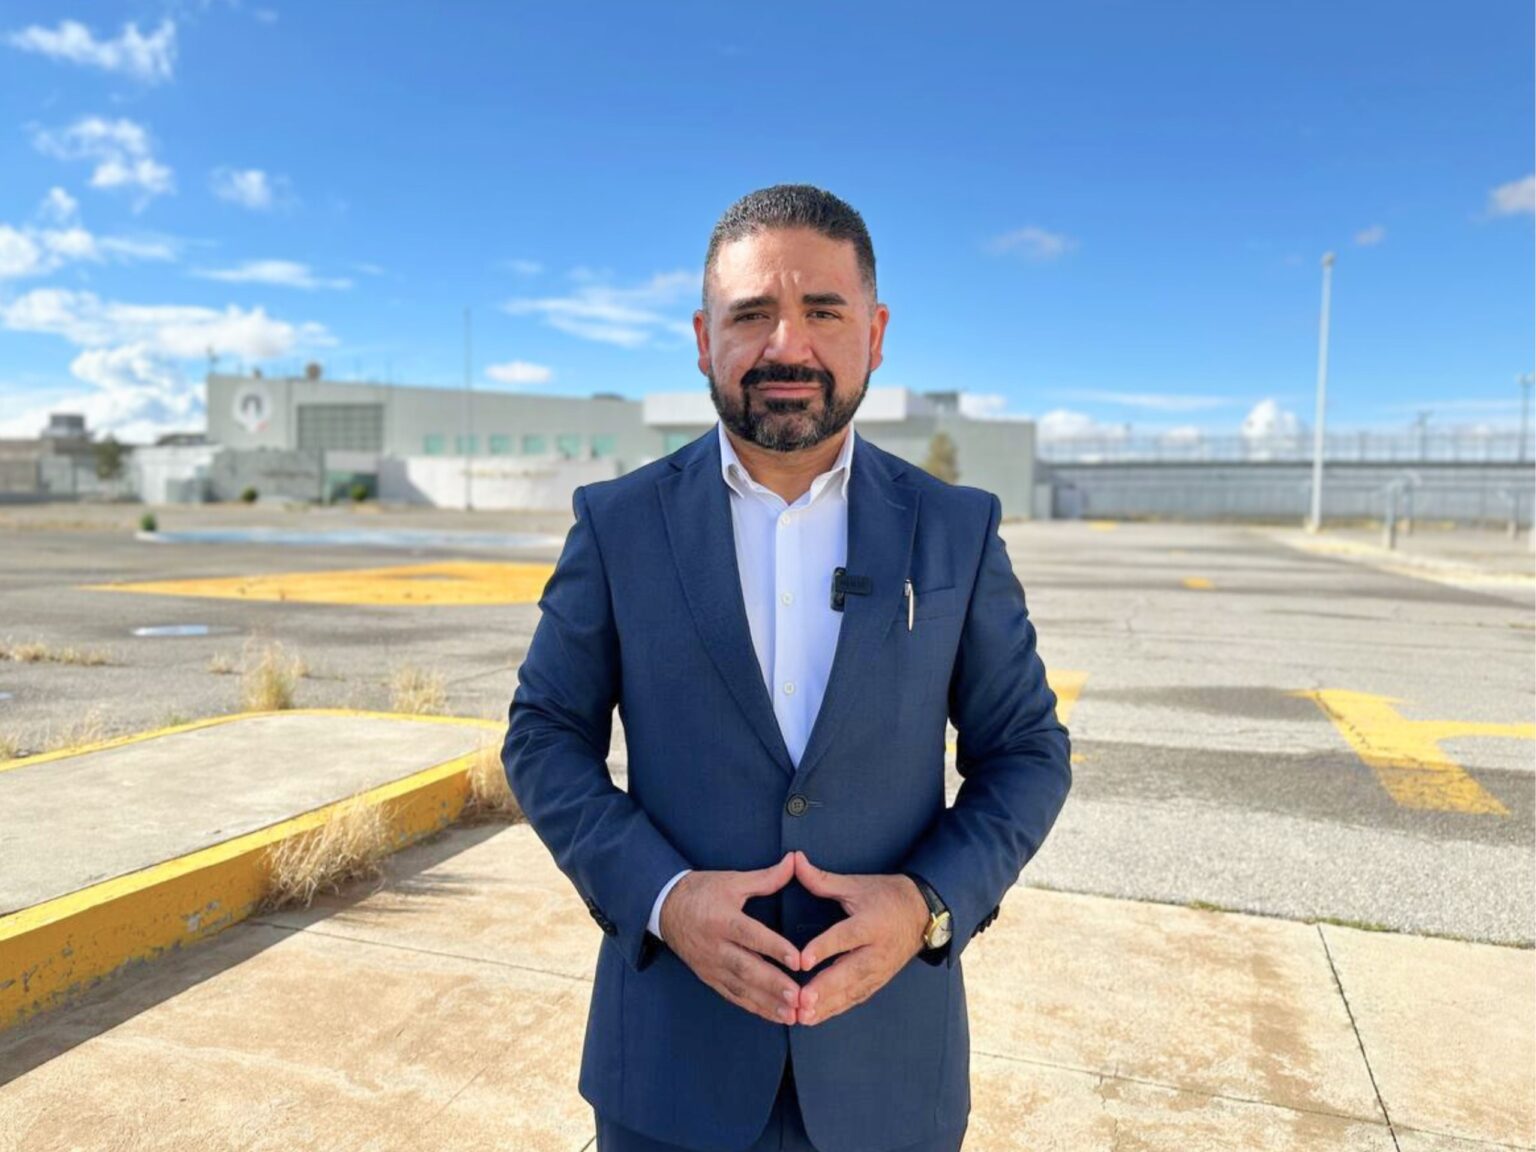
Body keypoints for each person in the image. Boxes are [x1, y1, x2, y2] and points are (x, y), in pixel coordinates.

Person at [503, 184, 1071, 1152]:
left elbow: (1026, 750)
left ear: (876, 334)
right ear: (703, 339)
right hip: (668, 1073)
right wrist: (666, 899)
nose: (787, 346)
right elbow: (543, 736)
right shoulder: (617, 524)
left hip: (889, 1077)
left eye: (823, 311)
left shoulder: (956, 530)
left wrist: (926, 905)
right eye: (751, 314)